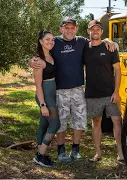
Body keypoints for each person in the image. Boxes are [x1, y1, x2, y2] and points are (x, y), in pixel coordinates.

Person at [29, 18, 116, 163]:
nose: (70, 30)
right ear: (61, 29)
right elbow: (41, 53)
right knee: (61, 122)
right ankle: (61, 151)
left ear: (76, 29)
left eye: (72, 28)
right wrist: (31, 61)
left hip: (77, 89)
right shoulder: (54, 42)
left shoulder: (81, 42)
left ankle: (75, 151)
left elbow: (96, 40)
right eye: (66, 28)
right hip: (60, 90)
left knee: (79, 121)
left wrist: (109, 40)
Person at [83, 20, 123, 162]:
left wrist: (116, 92)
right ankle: (98, 153)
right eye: (92, 29)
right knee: (96, 122)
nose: (95, 32)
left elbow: (118, 71)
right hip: (92, 93)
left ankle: (120, 153)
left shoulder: (110, 48)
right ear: (88, 31)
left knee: (117, 121)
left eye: (98, 29)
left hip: (110, 93)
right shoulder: (85, 48)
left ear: (101, 31)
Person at [33, 30, 60, 167]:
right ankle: (40, 155)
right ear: (41, 42)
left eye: (52, 39)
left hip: (52, 94)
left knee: (44, 125)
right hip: (44, 96)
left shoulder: (51, 55)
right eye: (47, 39)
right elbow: (38, 86)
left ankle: (40, 153)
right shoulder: (38, 61)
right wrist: (43, 104)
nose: (50, 42)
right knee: (55, 124)